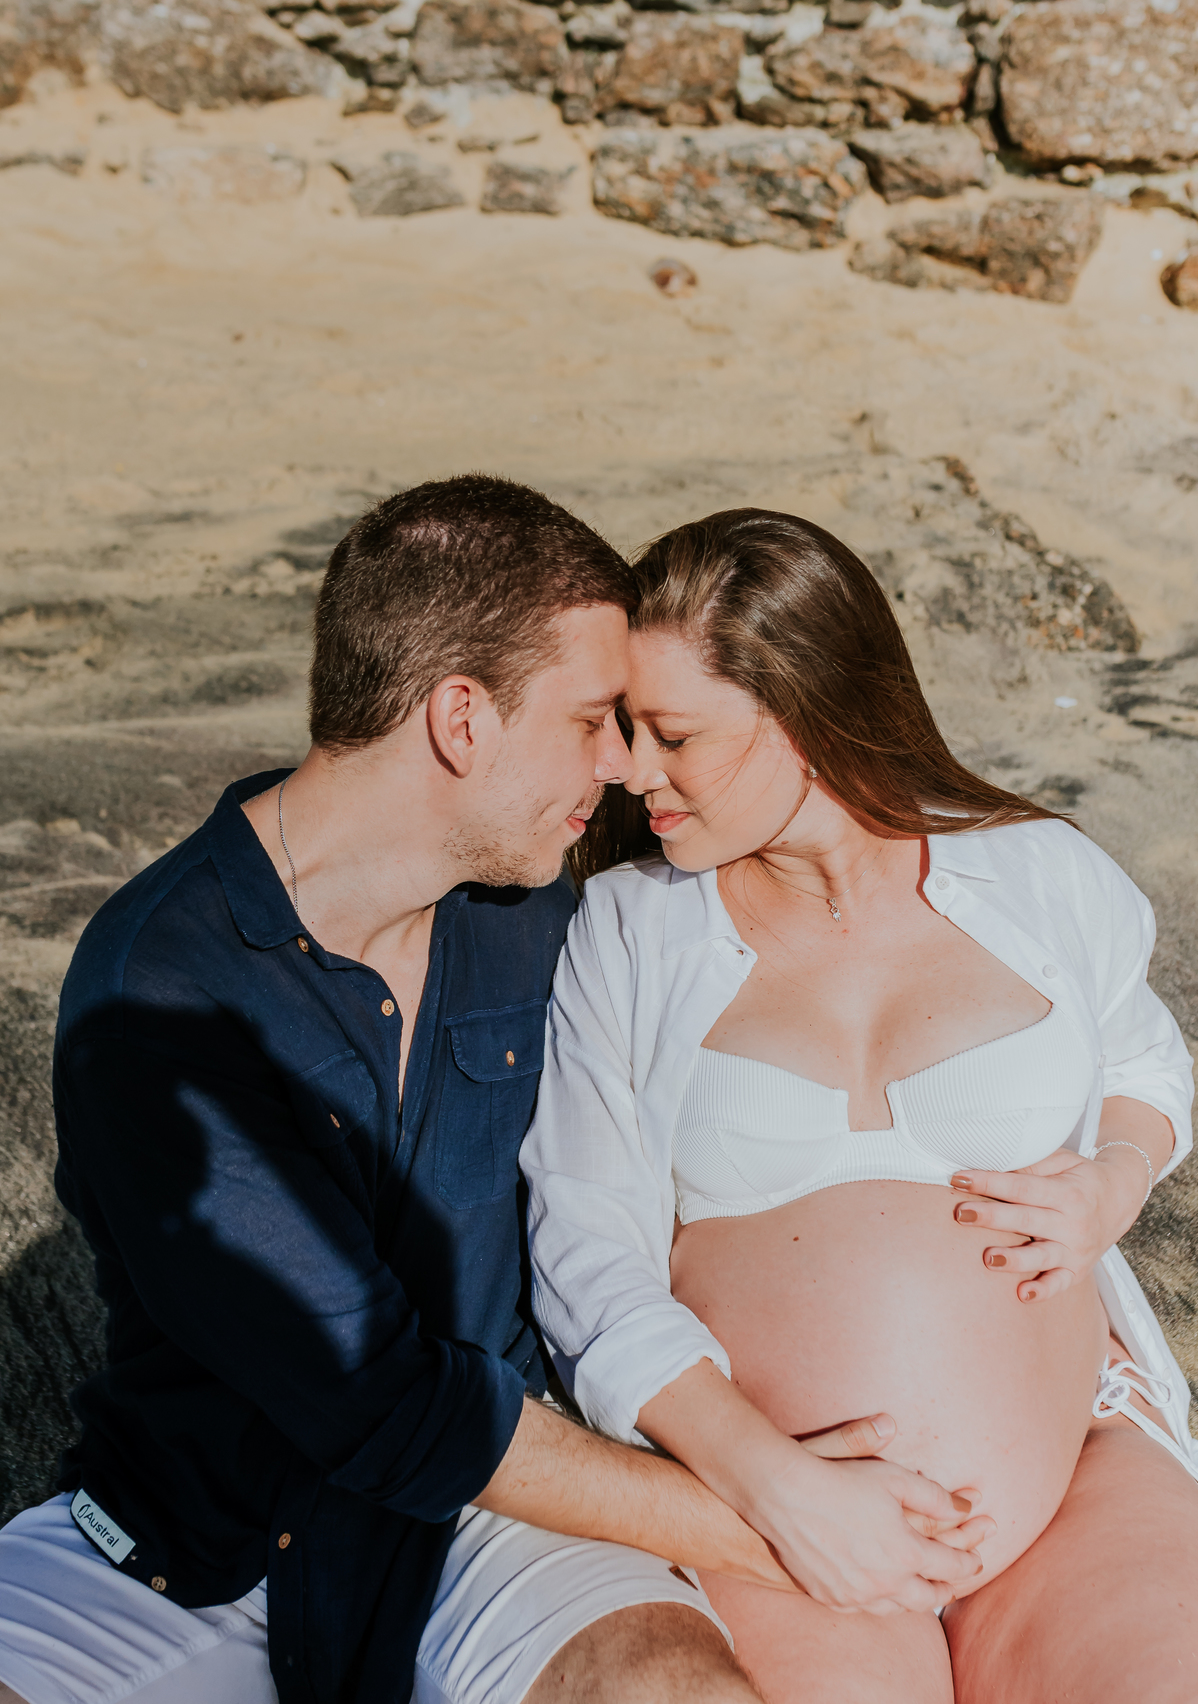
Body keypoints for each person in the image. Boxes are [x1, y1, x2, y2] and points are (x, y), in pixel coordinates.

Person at [0, 479, 987, 1704]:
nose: (624, 765)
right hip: (191, 1544)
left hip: (503, 1531)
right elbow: (384, 1400)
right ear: (462, 718)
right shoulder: (163, 988)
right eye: (591, 719)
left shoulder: (551, 908)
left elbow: (818, 928)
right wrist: (778, 1521)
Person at [522, 507, 1198, 1704]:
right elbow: (587, 1253)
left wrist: (1114, 1179)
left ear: (807, 714)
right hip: (776, 1517)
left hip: (1072, 1479)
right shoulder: (632, 932)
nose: (627, 766)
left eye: (671, 731)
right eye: (626, 727)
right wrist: (775, 1488)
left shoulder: (1039, 872)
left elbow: (1146, 1058)